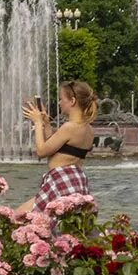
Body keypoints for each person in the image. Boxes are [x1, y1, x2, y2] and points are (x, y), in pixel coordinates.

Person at [16, 81, 96, 215]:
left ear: (72, 101)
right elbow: (55, 148)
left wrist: (37, 122)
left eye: (61, 99)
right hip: (74, 180)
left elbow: (41, 151)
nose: (59, 103)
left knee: (17, 217)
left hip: (61, 181)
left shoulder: (69, 127)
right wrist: (46, 124)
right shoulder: (88, 129)